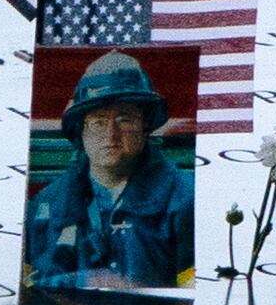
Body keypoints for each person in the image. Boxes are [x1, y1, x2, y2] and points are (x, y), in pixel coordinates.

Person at [26, 50, 194, 288]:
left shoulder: (185, 200)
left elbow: (194, 295)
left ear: (145, 126)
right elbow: (28, 289)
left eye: (124, 119)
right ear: (81, 132)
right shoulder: (44, 206)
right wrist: (83, 281)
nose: (110, 134)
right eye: (98, 122)